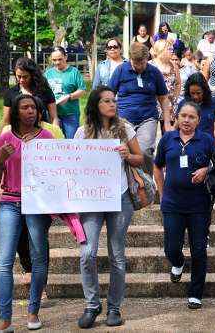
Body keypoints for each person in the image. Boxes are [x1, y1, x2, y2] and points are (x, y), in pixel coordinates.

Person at [75, 86, 144, 328]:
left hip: (120, 197)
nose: (112, 104)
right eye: (106, 101)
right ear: (95, 105)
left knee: (117, 256)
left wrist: (127, 155)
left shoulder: (124, 127)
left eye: (114, 100)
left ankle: (114, 307)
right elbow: (74, 165)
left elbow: (141, 159)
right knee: (87, 253)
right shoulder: (83, 133)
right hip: (92, 199)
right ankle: (92, 304)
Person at [0, 94, 53, 332]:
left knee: (39, 258)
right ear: (16, 112)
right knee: (4, 262)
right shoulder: (5, 138)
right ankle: (5, 321)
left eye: (34, 108)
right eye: (25, 107)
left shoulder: (46, 137)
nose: (30, 111)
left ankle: (33, 313)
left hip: (37, 204)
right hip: (10, 202)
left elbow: (56, 175)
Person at [153, 102, 215, 310]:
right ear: (177, 118)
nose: (187, 120)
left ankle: (195, 293)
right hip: (172, 203)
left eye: (191, 117)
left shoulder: (206, 140)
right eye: (183, 116)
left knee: (198, 250)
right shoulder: (167, 139)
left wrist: (206, 170)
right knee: (171, 248)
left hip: (199, 204)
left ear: (198, 120)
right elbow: (157, 166)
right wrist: (162, 194)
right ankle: (178, 263)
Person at [109, 42, 172, 154]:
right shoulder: (120, 70)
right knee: (123, 152)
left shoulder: (154, 72)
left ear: (147, 59)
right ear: (130, 59)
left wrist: (167, 123)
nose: (139, 66)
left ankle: (145, 172)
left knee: (144, 151)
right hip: (124, 119)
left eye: (142, 63)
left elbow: (163, 98)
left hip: (148, 118)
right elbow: (109, 95)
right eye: (136, 63)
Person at [0, 57, 57, 133]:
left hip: (40, 133)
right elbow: (6, 121)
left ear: (32, 75)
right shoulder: (11, 93)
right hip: (18, 134)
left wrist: (56, 135)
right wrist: (0, 140)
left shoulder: (45, 91)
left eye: (25, 77)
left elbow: (54, 118)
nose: (21, 80)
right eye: (19, 76)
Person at [45, 46, 87, 138]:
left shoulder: (74, 72)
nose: (57, 62)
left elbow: (82, 90)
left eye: (60, 59)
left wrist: (69, 97)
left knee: (71, 142)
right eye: (54, 60)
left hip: (70, 114)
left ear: (66, 57)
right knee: (54, 142)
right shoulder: (48, 73)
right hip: (52, 114)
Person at [177, 72, 215, 146]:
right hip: (186, 144)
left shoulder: (214, 103)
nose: (195, 97)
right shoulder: (183, 104)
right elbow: (176, 126)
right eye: (192, 93)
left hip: (207, 145)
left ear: (204, 91)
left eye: (198, 93)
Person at [151, 39, 181, 131]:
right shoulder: (151, 65)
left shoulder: (173, 65)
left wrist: (174, 98)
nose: (172, 51)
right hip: (153, 105)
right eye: (169, 49)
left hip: (169, 106)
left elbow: (178, 83)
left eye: (172, 49)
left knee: (168, 134)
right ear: (161, 50)